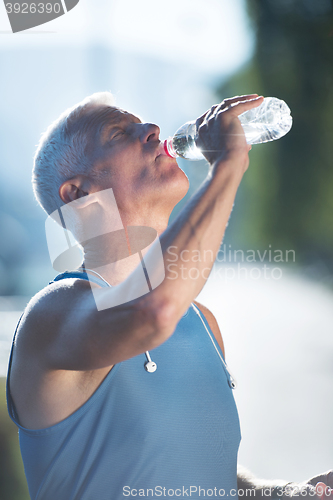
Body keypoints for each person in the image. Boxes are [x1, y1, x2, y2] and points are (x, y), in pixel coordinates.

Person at [6, 92, 332, 500]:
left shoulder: (202, 322)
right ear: (77, 194)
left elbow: (208, 478)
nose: (153, 130)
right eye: (120, 132)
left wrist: (289, 492)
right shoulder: (52, 313)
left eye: (144, 123)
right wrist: (229, 167)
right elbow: (151, 313)